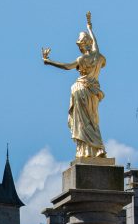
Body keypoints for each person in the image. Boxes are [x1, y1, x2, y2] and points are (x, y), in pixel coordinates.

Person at [41, 11, 107, 160]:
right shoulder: (98, 56)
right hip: (94, 92)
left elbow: (66, 66)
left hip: (80, 90)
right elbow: (96, 43)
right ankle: (96, 150)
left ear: (82, 45)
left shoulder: (81, 59)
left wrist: (48, 61)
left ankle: (89, 150)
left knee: (84, 123)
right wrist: (90, 27)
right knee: (93, 120)